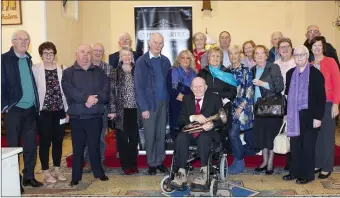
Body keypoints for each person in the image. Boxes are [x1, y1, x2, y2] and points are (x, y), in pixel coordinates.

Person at [62, 44, 109, 186]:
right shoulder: (69, 72)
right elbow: (69, 90)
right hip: (77, 117)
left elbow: (106, 89)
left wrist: (95, 99)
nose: (85, 55)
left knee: (94, 146)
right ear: (76, 54)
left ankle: (98, 172)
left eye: (88, 52)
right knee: (78, 148)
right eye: (82, 52)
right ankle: (76, 176)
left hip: (95, 116)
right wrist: (86, 98)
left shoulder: (99, 71)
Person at [1, 30, 43, 189]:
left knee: (31, 145)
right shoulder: (4, 60)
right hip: (14, 110)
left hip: (30, 110)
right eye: (20, 39)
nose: (24, 42)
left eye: (27, 40)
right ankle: (13, 179)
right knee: (12, 146)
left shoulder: (28, 59)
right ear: (13, 42)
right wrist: (5, 105)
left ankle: (29, 176)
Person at [170, 77, 223, 190]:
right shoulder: (187, 99)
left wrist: (212, 124)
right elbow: (180, 119)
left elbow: (222, 119)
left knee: (204, 138)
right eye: (195, 86)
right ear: (191, 88)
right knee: (181, 138)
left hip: (208, 132)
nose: (198, 89)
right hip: (191, 132)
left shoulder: (215, 98)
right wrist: (192, 117)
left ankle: (204, 172)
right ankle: (181, 172)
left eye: (200, 86)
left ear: (206, 87)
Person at [283, 45, 326, 184]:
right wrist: (285, 114)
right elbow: (287, 96)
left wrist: (318, 117)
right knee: (295, 147)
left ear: (308, 56)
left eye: (302, 55)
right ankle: (294, 172)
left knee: (308, 147)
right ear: (294, 57)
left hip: (311, 116)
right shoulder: (290, 73)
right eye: (297, 55)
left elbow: (321, 97)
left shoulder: (315, 74)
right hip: (294, 116)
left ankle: (306, 175)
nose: (299, 57)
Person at [134, 33, 171, 175]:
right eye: (155, 42)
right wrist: (143, 108)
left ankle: (160, 161)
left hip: (163, 103)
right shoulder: (141, 61)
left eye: (160, 43)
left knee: (161, 134)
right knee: (150, 134)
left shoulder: (166, 61)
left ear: (163, 45)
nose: (157, 45)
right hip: (149, 105)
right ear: (149, 43)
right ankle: (152, 163)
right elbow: (138, 86)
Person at [32, 42, 68, 183]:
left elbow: (65, 91)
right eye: (45, 53)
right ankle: (46, 172)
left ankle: (57, 170)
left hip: (59, 111)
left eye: (51, 53)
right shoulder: (35, 69)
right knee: (45, 142)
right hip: (44, 112)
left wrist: (67, 110)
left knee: (58, 141)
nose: (48, 55)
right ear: (41, 55)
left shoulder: (62, 69)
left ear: (55, 54)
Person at [251, 45, 284, 175]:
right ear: (253, 57)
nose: (259, 56)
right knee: (262, 136)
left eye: (261, 53)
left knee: (270, 136)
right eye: (256, 54)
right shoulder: (253, 69)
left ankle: (270, 162)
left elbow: (279, 87)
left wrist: (262, 84)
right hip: (258, 108)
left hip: (271, 108)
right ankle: (264, 161)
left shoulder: (273, 67)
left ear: (266, 55)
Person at [310, 36, 340, 179]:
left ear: (323, 47)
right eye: (314, 45)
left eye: (319, 45)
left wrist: (336, 104)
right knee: (317, 136)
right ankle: (318, 162)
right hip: (314, 105)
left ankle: (327, 166)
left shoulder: (330, 61)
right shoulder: (309, 64)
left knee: (327, 136)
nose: (317, 47)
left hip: (328, 103)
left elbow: (337, 83)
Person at [198, 47, 237, 152]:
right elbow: (197, 89)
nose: (215, 58)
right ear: (208, 58)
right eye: (213, 56)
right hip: (206, 108)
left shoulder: (227, 73)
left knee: (221, 134)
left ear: (221, 59)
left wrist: (218, 95)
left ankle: (219, 151)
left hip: (222, 108)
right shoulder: (202, 72)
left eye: (218, 56)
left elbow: (233, 92)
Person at [108, 46, 140, 175]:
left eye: (129, 55)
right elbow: (111, 93)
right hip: (121, 111)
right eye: (124, 55)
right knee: (122, 138)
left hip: (135, 110)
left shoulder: (137, 71)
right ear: (120, 57)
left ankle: (133, 164)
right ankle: (125, 165)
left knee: (134, 138)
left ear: (132, 57)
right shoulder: (114, 72)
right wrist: (112, 110)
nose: (127, 57)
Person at [83, 43, 112, 173]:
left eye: (101, 51)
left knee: (100, 136)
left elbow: (110, 89)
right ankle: (89, 162)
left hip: (102, 107)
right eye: (95, 50)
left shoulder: (108, 68)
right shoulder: (84, 66)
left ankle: (99, 161)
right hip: (86, 107)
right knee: (88, 136)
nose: (98, 53)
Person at [228, 45, 254, 174]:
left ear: (240, 55)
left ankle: (240, 161)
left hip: (242, 108)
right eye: (231, 54)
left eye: (236, 53)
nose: (233, 56)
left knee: (233, 134)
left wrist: (240, 107)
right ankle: (236, 160)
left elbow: (250, 90)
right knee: (231, 135)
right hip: (229, 108)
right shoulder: (227, 71)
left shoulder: (246, 70)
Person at [274, 37, 296, 170]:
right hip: (279, 101)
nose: (285, 49)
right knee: (281, 129)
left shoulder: (296, 62)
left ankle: (292, 159)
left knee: (292, 130)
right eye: (282, 47)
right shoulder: (275, 64)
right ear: (278, 50)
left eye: (287, 46)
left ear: (291, 48)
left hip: (293, 101)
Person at [167, 50, 197, 139]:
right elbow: (172, 90)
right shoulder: (173, 71)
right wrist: (186, 100)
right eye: (183, 57)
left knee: (190, 130)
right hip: (177, 105)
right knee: (177, 131)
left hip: (191, 106)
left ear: (191, 60)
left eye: (188, 58)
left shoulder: (194, 73)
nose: (185, 60)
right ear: (179, 59)